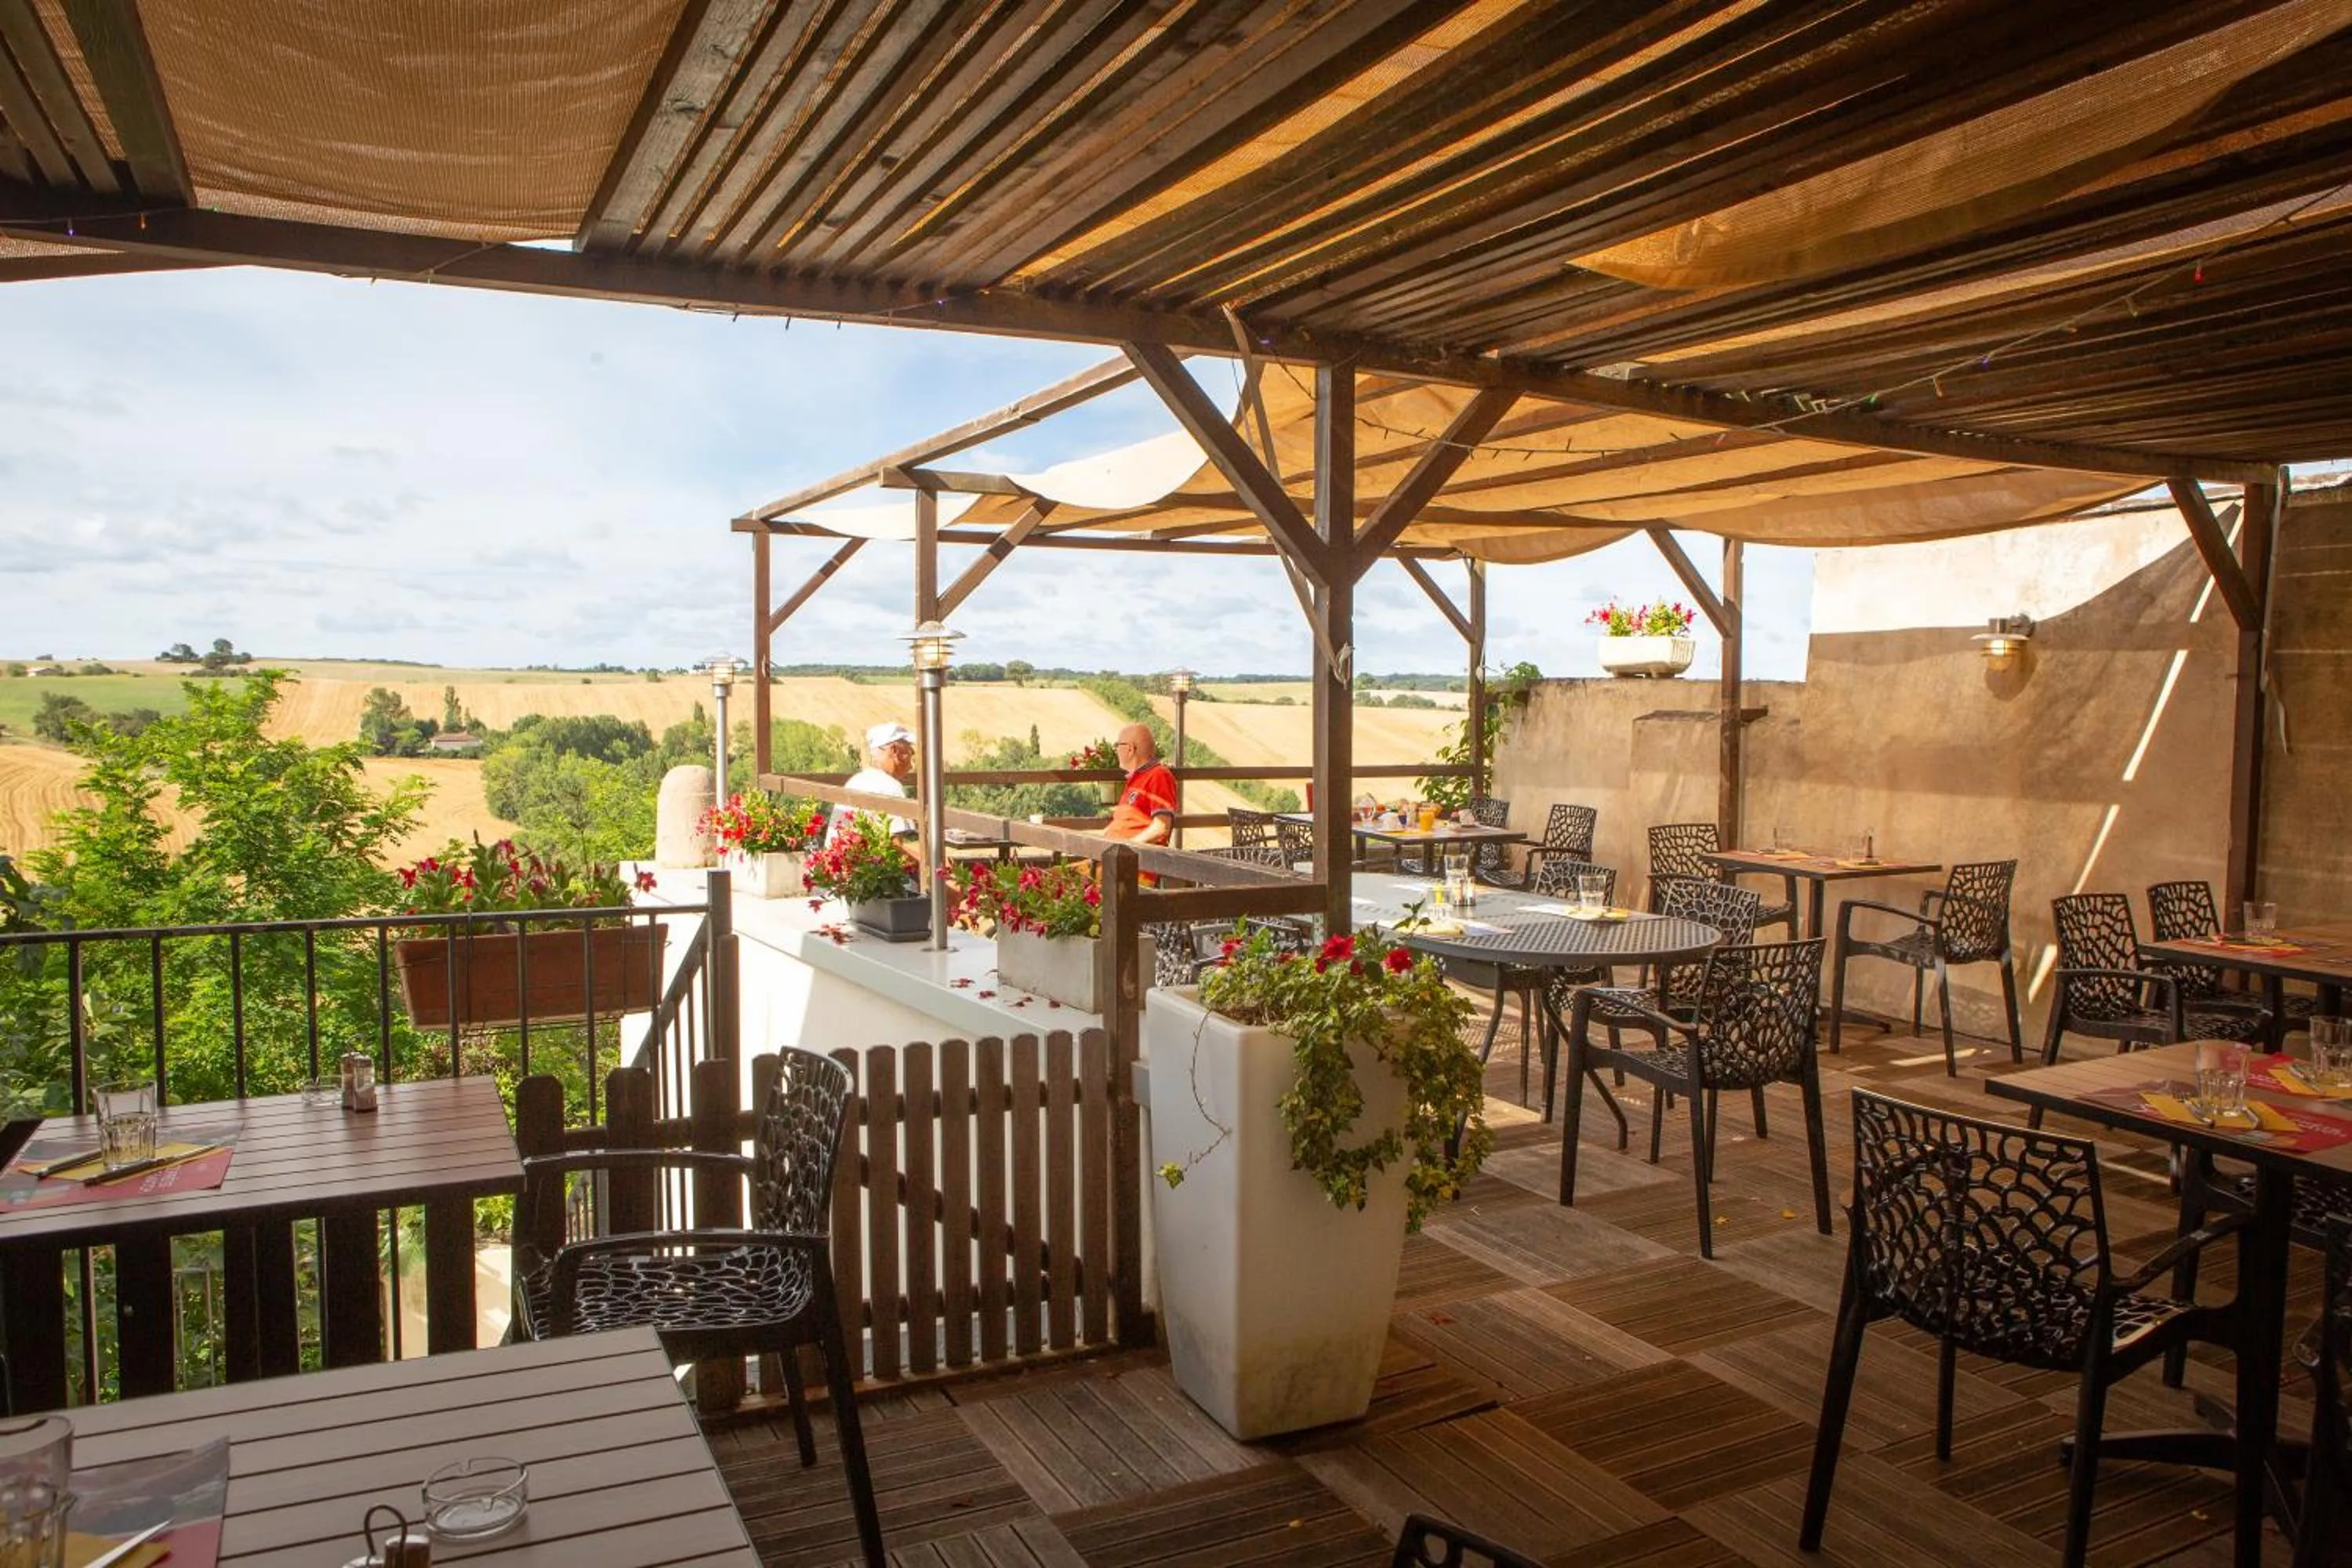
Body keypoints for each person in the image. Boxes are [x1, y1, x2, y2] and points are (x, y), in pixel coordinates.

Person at [827, 720, 920, 851]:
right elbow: (895, 850)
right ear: (894, 751)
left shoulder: (857, 780)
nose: (911, 759)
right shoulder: (890, 786)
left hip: (841, 864)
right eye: (909, 751)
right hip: (862, 867)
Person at [1104, 723, 1177, 846]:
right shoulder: (1136, 778)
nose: (1116, 750)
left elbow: (1161, 828)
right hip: (1116, 856)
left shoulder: (1159, 775)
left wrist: (1125, 848)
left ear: (1130, 749)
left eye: (1117, 745)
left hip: (1135, 860)